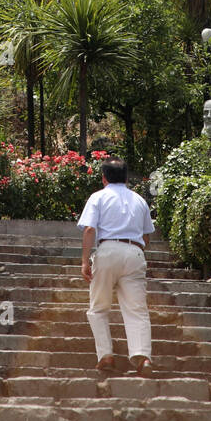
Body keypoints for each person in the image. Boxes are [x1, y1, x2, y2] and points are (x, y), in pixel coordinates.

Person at [78, 158, 155, 375]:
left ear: (104, 178)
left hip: (107, 250)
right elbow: (147, 236)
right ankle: (143, 358)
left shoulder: (98, 197)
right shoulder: (139, 200)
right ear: (126, 178)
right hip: (135, 251)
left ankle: (106, 356)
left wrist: (85, 261)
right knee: (137, 309)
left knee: (99, 308)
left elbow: (89, 230)